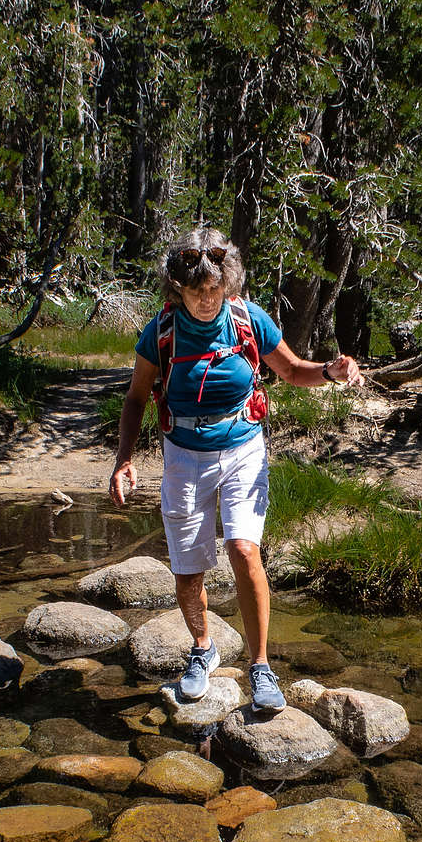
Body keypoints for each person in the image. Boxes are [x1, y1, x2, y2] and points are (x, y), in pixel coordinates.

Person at [109, 227, 362, 712]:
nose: (206, 300)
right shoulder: (160, 332)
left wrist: (330, 371)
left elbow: (291, 371)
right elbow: (137, 398)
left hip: (243, 447)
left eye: (214, 290)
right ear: (177, 289)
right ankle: (202, 651)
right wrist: (124, 459)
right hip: (183, 456)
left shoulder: (249, 319)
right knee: (188, 572)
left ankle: (261, 666)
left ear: (229, 284)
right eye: (195, 291)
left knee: (244, 549)